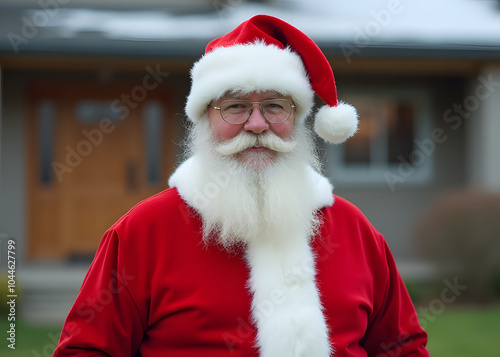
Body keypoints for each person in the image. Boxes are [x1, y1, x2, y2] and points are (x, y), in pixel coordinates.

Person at [53, 14, 429, 357]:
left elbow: (402, 347)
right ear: (205, 120)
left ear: (296, 118)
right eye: (235, 106)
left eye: (275, 106)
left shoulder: (354, 229)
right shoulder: (143, 231)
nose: (257, 125)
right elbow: (85, 350)